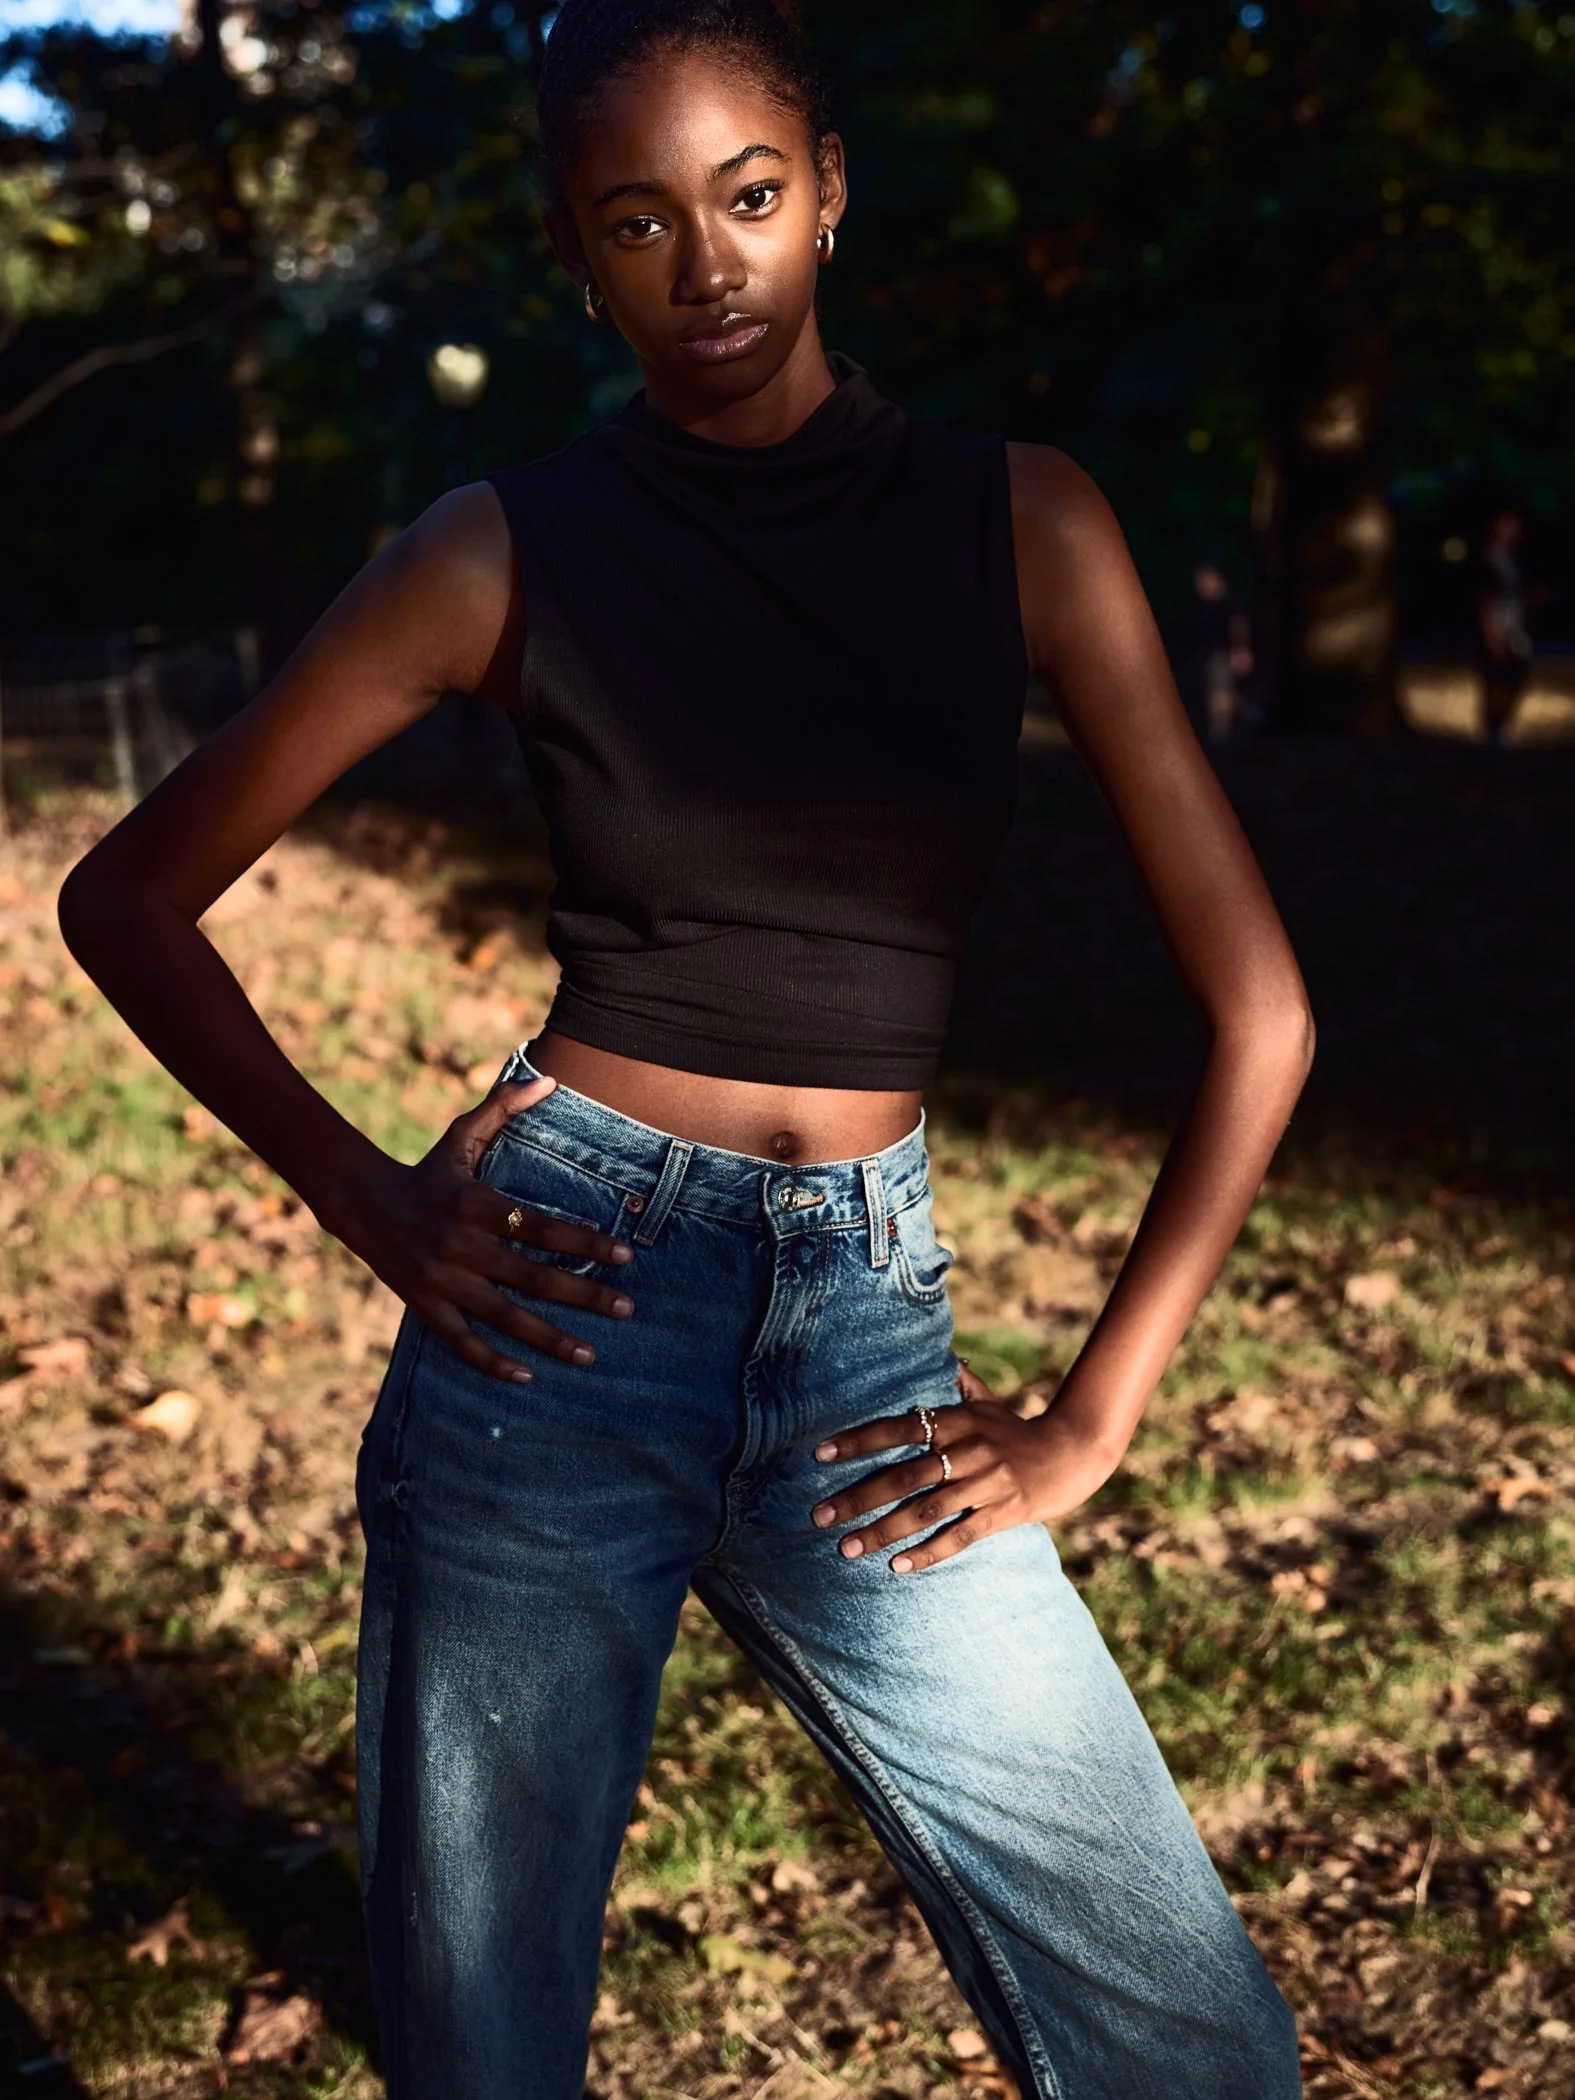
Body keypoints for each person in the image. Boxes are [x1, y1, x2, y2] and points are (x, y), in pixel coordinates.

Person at [57, 3, 1314, 2094]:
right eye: (636, 222)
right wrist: (374, 1206)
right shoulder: (500, 548)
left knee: (1193, 2047)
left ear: (827, 192)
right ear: (576, 256)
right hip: (554, 1329)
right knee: (489, 2058)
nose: (704, 266)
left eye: (745, 198)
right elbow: (129, 895)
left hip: (865, 1359)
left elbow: (1259, 1007)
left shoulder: (1028, 523)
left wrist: (1094, 1416)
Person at [1475, 507, 1534, 744]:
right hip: (1497, 631)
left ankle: (1499, 730)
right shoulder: (1488, 561)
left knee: (1514, 679)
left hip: (1516, 629)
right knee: (1496, 682)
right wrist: (1491, 635)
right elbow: (1484, 601)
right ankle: (1492, 732)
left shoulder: (1511, 562)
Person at [1192, 562, 1256, 746]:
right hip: (1213, 654)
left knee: (1221, 693)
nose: (1201, 587)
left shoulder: (1228, 602)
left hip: (1224, 654)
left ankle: (1221, 733)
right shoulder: (1208, 606)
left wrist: (1240, 650)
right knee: (1220, 692)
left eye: (1204, 581)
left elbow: (1238, 626)